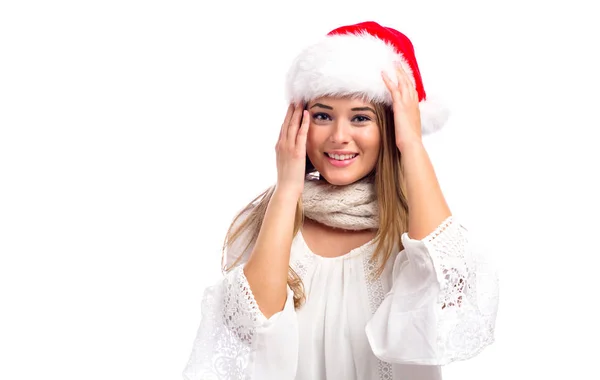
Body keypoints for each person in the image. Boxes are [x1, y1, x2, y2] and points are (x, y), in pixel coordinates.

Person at [182, 21, 499, 380]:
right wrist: (287, 189)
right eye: (322, 115)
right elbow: (254, 332)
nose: (338, 136)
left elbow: (448, 292)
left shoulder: (413, 232)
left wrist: (412, 144)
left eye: (361, 118)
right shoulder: (272, 222)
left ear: (393, 126)